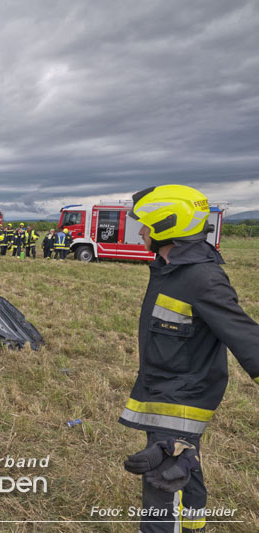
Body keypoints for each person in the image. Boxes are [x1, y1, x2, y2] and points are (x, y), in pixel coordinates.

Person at [119, 185, 259, 533]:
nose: (140, 232)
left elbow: (243, 333)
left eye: (146, 225)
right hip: (166, 392)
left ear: (167, 227)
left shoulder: (201, 277)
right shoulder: (171, 268)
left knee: (164, 486)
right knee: (181, 466)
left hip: (182, 400)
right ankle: (193, 524)